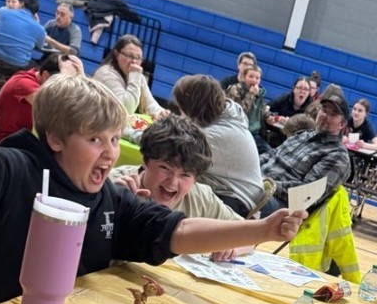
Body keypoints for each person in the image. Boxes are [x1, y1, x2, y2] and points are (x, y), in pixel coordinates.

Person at [0, 48, 306, 304]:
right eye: (95, 139)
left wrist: (263, 230)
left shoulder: (109, 200)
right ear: (56, 138)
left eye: (115, 139)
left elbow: (176, 230)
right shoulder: (15, 173)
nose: (110, 152)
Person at [110, 114, 242, 223]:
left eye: (185, 175)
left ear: (195, 179)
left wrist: (232, 249)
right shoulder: (113, 186)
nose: (172, 182)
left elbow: (245, 233)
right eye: (165, 168)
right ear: (145, 161)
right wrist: (111, 204)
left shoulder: (201, 198)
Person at [173, 73, 266, 216]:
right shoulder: (227, 116)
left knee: (172, 183)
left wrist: (129, 130)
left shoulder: (212, 136)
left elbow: (168, 149)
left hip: (235, 202)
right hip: (236, 190)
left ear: (191, 107)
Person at [259, 91, 352, 208]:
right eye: (324, 110)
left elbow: (306, 193)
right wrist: (251, 169)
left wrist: (265, 185)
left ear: (342, 125)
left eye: (333, 114)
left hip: (280, 203)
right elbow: (271, 154)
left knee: (236, 198)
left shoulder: (338, 156)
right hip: (259, 183)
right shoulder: (303, 134)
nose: (325, 115)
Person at [0, 52, 83, 144]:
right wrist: (64, 76)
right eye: (62, 82)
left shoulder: (36, 77)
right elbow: (58, 111)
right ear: (45, 75)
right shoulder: (25, 84)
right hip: (8, 143)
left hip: (24, 138)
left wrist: (81, 78)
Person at [92, 33, 165, 120]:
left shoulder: (138, 76)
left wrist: (161, 112)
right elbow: (125, 109)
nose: (134, 61)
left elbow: (150, 104)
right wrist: (134, 76)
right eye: (130, 56)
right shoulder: (105, 74)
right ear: (116, 54)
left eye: (138, 57)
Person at [0, 0, 47, 81]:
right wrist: (37, 23)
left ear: (22, 4)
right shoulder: (39, 28)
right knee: (39, 71)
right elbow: (40, 46)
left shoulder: (3, 12)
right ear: (36, 13)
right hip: (16, 66)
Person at [226, 64, 268, 152]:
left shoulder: (259, 93)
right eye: (251, 76)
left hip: (254, 132)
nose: (254, 80)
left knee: (267, 151)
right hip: (238, 130)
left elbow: (262, 110)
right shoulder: (235, 89)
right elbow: (238, 112)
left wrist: (271, 117)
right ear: (244, 77)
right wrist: (251, 95)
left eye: (257, 78)